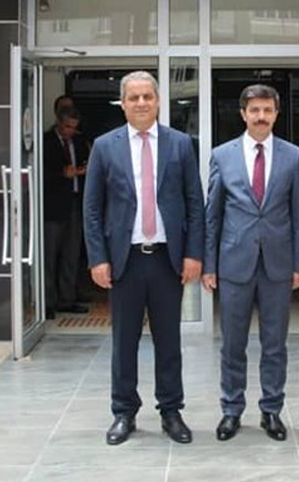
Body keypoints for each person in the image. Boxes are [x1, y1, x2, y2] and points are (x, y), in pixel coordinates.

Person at [83, 71, 205, 446]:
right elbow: (92, 209)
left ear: (158, 101)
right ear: (123, 104)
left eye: (147, 96)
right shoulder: (105, 146)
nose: (141, 103)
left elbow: (194, 203)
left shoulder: (181, 144)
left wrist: (193, 253)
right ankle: (124, 412)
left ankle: (171, 411)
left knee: (169, 341)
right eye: (133, 97)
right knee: (125, 341)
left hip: (167, 259)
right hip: (125, 260)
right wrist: (98, 258)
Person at [203, 84, 299, 442]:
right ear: (243, 114)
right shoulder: (222, 155)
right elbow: (213, 214)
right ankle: (231, 410)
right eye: (254, 110)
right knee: (232, 344)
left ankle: (271, 410)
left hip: (278, 264)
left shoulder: (293, 155)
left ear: (276, 114)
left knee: (275, 344)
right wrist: (209, 264)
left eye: (267, 110)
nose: (261, 116)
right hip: (234, 263)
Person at [43, 106, 89, 318]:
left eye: (74, 127)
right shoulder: (46, 142)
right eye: (68, 126)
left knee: (71, 253)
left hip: (74, 202)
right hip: (53, 206)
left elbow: (86, 162)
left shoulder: (78, 141)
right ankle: (47, 302)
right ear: (59, 122)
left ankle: (67, 299)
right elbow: (40, 173)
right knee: (50, 256)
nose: (71, 131)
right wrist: (62, 173)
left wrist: (83, 169)